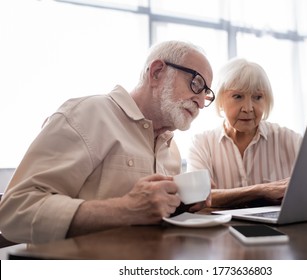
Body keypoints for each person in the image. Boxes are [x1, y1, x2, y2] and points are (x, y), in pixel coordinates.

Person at [0, 40, 214, 244]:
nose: (201, 101)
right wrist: (125, 209)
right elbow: (15, 211)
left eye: (206, 94)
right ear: (157, 72)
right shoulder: (85, 115)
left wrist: (180, 206)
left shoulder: (171, 149)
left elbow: (150, 215)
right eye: (196, 83)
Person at [186, 58, 302, 208]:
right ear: (220, 100)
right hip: (222, 230)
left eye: (257, 97)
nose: (248, 108)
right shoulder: (202, 143)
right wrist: (262, 190)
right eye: (238, 96)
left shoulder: (291, 140)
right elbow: (198, 198)